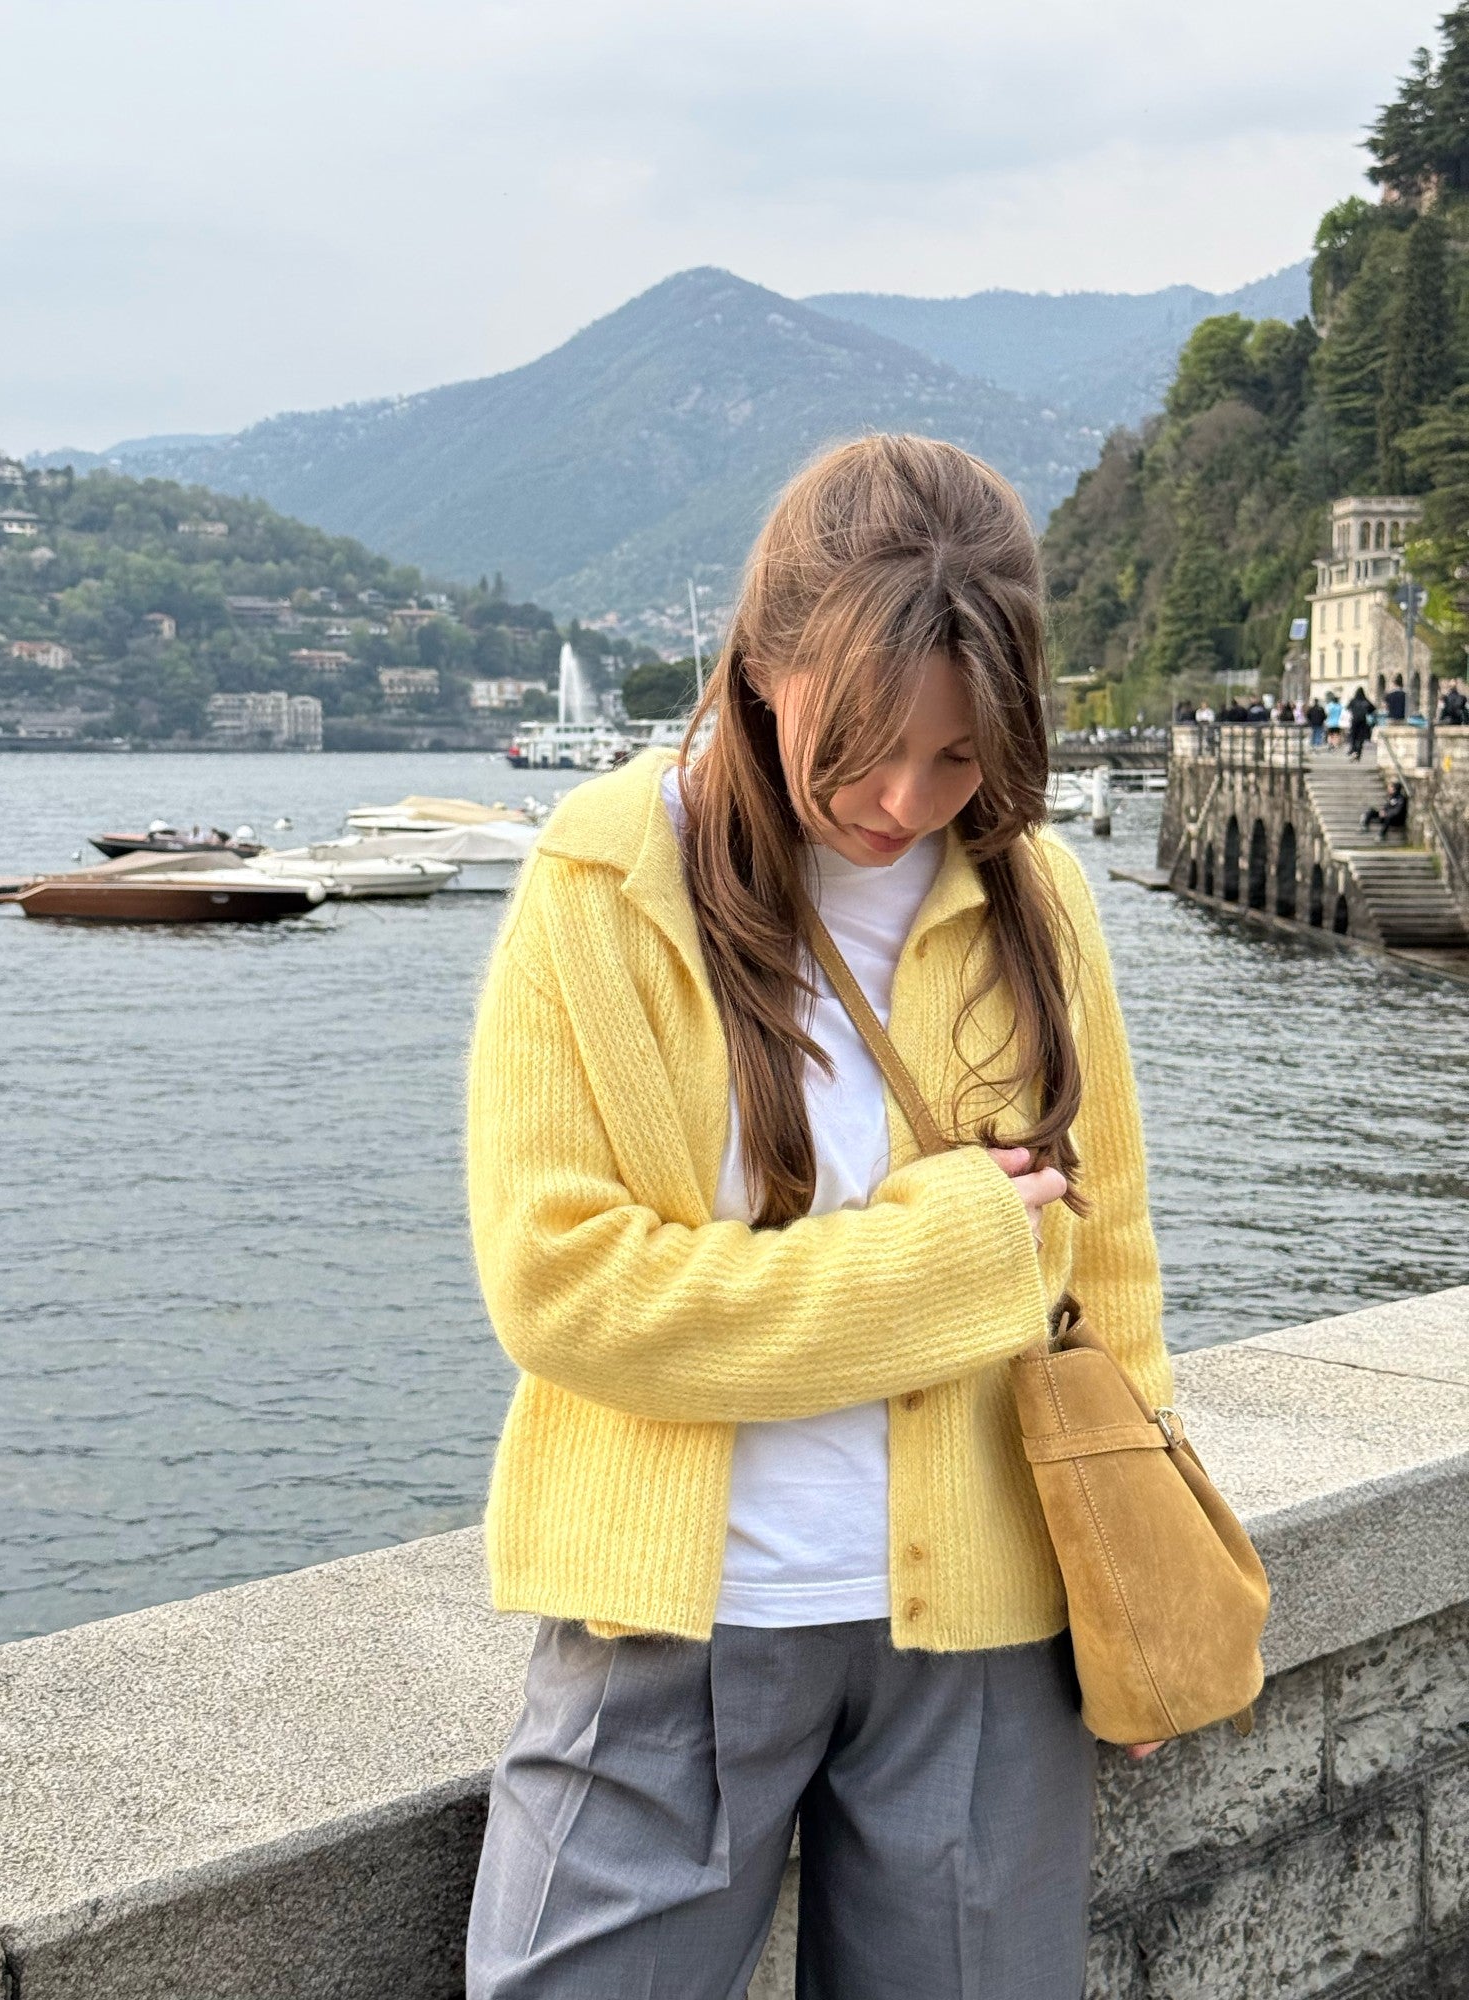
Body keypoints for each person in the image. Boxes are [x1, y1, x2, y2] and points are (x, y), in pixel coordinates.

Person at [463, 435, 1173, 1999]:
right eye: (864, 746)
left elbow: (1108, 1259)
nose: (903, 802)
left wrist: (1128, 1587)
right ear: (764, 667)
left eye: (959, 757)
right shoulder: (604, 885)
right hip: (668, 1629)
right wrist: (938, 1265)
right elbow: (559, 1287)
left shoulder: (1038, 898)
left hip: (988, 1638)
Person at [1347, 686, 1376, 760]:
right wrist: (1367, 712)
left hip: (1354, 720)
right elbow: (1373, 708)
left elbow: (1348, 708)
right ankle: (1358, 752)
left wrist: (1354, 711)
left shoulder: (1353, 700)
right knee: (1360, 737)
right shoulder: (1365, 701)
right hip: (1363, 721)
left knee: (1353, 735)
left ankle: (1353, 749)